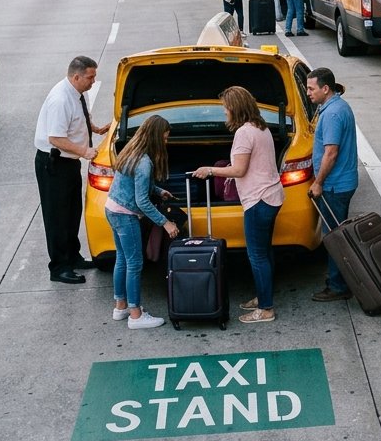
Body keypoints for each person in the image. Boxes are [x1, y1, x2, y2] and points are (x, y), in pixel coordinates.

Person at [193, 86, 284, 323]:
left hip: (258, 199)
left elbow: (238, 170)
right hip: (272, 196)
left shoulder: (244, 133)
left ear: (234, 108)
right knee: (265, 251)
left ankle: (265, 309)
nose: (224, 112)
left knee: (257, 256)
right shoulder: (261, 127)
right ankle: (264, 296)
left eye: (225, 107)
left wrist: (210, 170)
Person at [34, 56, 111, 284]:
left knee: (72, 212)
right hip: (54, 163)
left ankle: (73, 256)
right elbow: (55, 138)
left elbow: (80, 118)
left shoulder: (79, 92)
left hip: (70, 162)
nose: (93, 81)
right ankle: (58, 267)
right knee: (57, 217)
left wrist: (95, 129)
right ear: (76, 76)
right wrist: (84, 150)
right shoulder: (60, 99)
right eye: (90, 77)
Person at [105, 114, 179, 329]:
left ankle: (121, 307)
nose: (166, 142)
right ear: (156, 137)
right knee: (135, 264)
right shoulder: (144, 162)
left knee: (122, 259)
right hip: (126, 216)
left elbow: (135, 185)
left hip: (112, 209)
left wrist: (159, 190)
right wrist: (165, 222)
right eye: (164, 138)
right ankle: (136, 315)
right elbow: (142, 202)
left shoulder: (131, 151)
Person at [306, 67, 359, 302]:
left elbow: (331, 153)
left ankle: (338, 286)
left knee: (333, 238)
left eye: (311, 88)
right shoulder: (336, 107)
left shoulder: (332, 114)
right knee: (337, 235)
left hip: (335, 186)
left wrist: (318, 183)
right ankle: (341, 281)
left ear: (325, 88)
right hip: (342, 183)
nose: (307, 93)